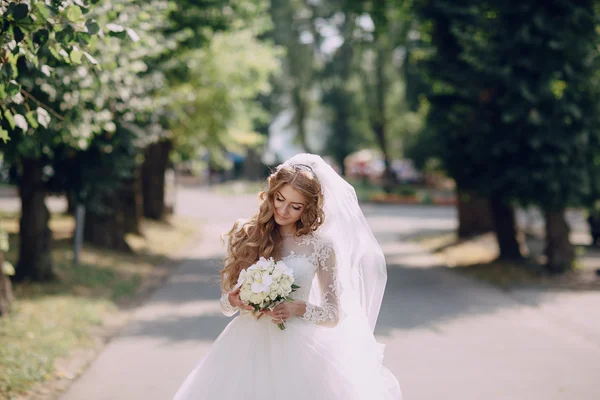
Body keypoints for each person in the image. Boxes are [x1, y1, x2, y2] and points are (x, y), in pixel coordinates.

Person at [172, 153, 402, 400]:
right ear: (271, 193)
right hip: (246, 347)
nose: (283, 210)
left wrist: (297, 308)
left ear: (308, 208)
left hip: (300, 349)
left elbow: (333, 315)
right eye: (279, 199)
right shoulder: (245, 235)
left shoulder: (320, 247)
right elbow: (225, 306)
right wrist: (234, 301)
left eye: (295, 206)